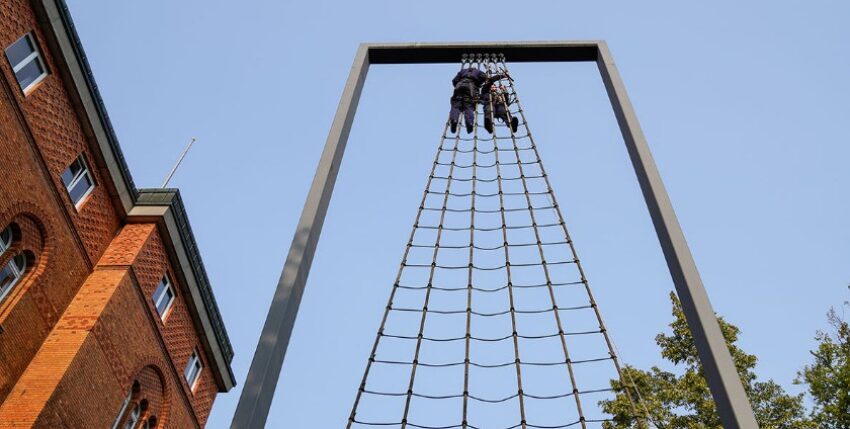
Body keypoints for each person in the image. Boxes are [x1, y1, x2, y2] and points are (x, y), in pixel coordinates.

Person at [448, 67, 502, 134]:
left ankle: (454, 120)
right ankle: (469, 123)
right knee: (469, 106)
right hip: (471, 88)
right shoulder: (478, 72)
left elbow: (454, 80)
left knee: (456, 105)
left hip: (459, 87)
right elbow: (487, 79)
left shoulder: (463, 71)